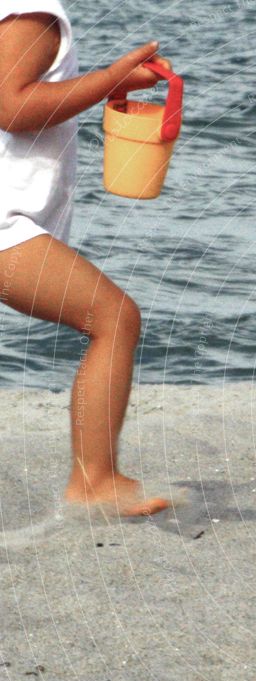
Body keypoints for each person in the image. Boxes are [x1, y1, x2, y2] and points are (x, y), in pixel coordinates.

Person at [0, 1, 173, 516]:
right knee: (113, 318)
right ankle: (94, 480)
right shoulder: (32, 8)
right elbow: (11, 106)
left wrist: (107, 85)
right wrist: (109, 76)